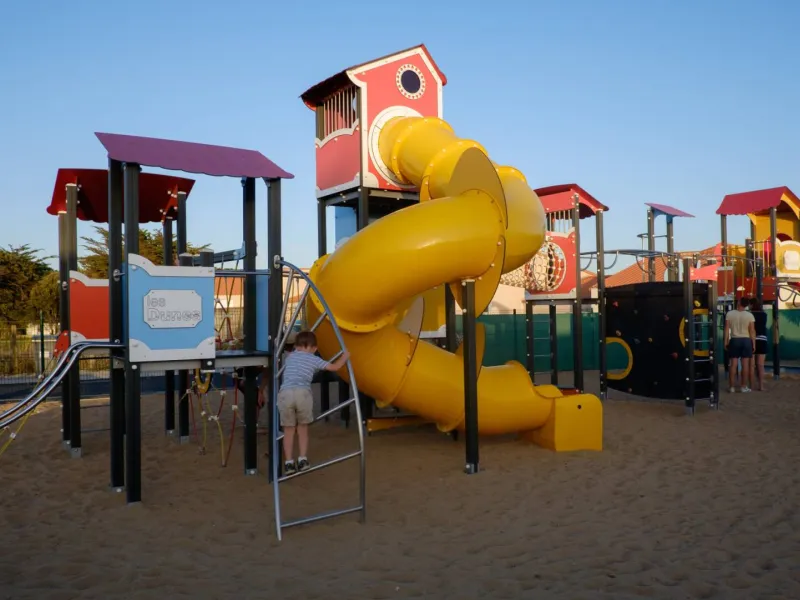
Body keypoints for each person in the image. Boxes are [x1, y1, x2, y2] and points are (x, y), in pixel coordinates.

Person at [277, 330, 349, 474]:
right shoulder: (314, 359)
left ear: (296, 346)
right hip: (302, 393)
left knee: (288, 430)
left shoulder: (290, 357)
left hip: (285, 393)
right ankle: (302, 460)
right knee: (302, 428)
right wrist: (345, 356)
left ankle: (289, 463)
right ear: (314, 348)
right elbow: (334, 367)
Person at [724, 296, 755, 393]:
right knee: (745, 365)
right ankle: (743, 386)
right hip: (746, 340)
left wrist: (725, 341)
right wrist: (754, 343)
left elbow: (726, 329)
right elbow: (752, 331)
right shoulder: (750, 315)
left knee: (733, 364)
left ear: (739, 303)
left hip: (734, 340)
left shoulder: (730, 314)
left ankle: (731, 387)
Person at [749, 297, 768, 391]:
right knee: (761, 365)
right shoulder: (764, 314)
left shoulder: (750, 315)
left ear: (752, 305)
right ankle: (761, 386)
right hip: (762, 339)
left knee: (751, 365)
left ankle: (751, 386)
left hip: (752, 339)